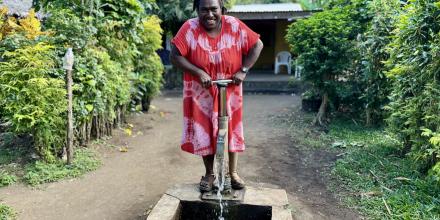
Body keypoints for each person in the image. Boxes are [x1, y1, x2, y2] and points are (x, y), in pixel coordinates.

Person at [170, 0, 263, 192]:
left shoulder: (234, 25)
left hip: (230, 88)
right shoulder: (189, 28)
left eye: (214, 9)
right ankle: (210, 173)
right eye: (204, 10)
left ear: (222, 10)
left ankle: (233, 172)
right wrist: (198, 72)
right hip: (200, 90)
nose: (209, 14)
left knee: (231, 128)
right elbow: (175, 56)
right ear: (197, 10)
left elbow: (257, 45)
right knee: (204, 130)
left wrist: (243, 70)